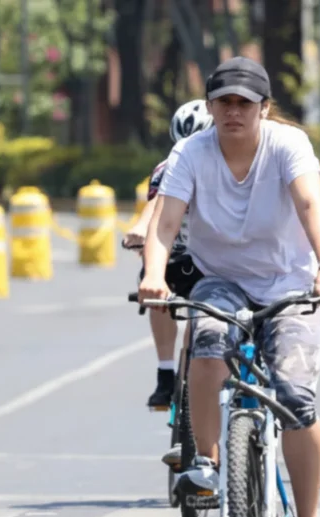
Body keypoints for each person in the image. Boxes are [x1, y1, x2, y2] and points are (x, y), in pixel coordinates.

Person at [138, 56, 320, 517]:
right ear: (210, 108)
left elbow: (310, 206)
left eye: (244, 103)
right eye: (223, 102)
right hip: (221, 278)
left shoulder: (287, 146)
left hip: (290, 284)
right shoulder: (192, 152)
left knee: (296, 401)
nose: (233, 112)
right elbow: (165, 223)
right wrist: (155, 276)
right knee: (205, 343)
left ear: (263, 109)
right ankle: (205, 462)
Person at [122, 99, 214, 410]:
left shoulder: (226, 161)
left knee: (204, 320)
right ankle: (165, 372)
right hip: (178, 254)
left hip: (215, 255)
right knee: (154, 284)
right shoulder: (170, 166)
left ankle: (190, 372)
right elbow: (159, 203)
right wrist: (140, 230)